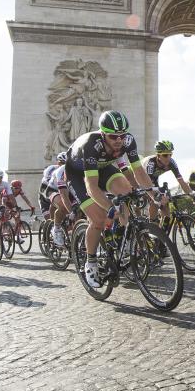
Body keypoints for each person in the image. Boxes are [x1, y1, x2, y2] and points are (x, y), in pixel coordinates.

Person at [65, 110, 154, 288]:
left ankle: (123, 239)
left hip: (103, 168)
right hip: (78, 175)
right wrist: (109, 207)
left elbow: (138, 171)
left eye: (122, 135)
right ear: (103, 134)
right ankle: (90, 262)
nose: (119, 140)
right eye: (113, 136)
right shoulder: (91, 145)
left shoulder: (128, 140)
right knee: (98, 219)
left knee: (127, 192)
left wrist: (154, 194)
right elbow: (91, 187)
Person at [140, 140, 194, 221]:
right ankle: (151, 223)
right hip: (140, 179)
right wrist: (156, 197)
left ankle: (165, 224)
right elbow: (148, 185)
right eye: (165, 155)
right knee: (154, 199)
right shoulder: (151, 163)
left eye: (170, 155)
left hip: (153, 179)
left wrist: (192, 195)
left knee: (164, 201)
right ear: (158, 155)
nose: (168, 158)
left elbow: (181, 181)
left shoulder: (171, 163)